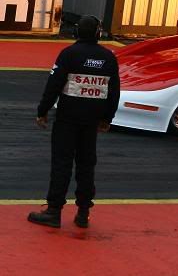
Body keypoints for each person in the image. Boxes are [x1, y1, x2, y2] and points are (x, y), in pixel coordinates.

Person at [28, 15, 120, 229]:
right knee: (87, 165)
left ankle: (54, 211)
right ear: (98, 33)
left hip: (67, 119)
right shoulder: (108, 58)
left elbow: (53, 85)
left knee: (62, 163)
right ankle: (83, 213)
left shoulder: (69, 54)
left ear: (77, 32)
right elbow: (114, 92)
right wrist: (107, 118)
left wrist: (42, 111)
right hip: (91, 122)